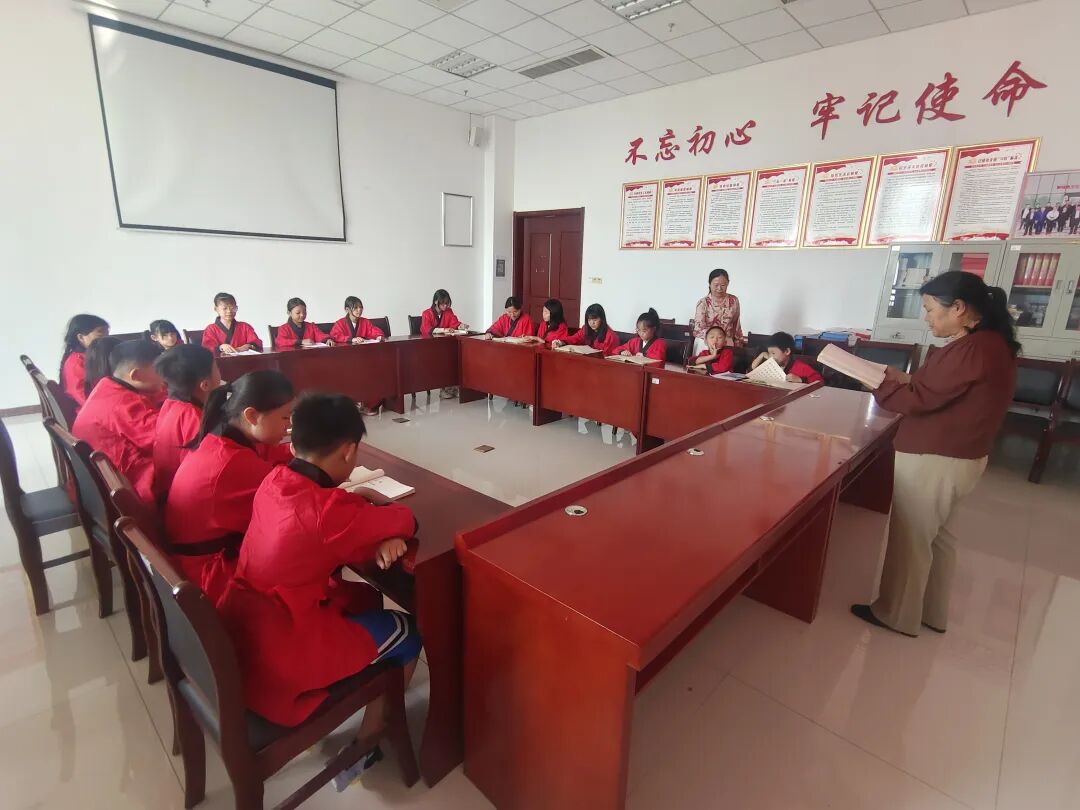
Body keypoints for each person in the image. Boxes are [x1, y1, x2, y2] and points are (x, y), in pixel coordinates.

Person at [216, 393, 420, 788]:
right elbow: (406, 519)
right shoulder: (328, 513)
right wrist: (382, 522)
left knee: (361, 600)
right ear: (349, 451)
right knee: (409, 630)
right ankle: (368, 742)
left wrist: (356, 507)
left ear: (293, 445)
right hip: (285, 655)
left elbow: (323, 526)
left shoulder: (274, 480)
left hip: (245, 632)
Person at [852, 271, 1019, 638]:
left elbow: (921, 400)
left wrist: (877, 384)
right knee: (939, 538)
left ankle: (896, 615)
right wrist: (901, 377)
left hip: (936, 458)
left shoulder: (973, 349)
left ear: (957, 308)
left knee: (911, 538)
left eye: (930, 309)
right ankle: (931, 612)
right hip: (961, 457)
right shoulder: (987, 343)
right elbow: (941, 388)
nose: (926, 318)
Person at [164, 370, 295, 604]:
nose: (289, 426)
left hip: (190, 563)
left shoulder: (219, 438)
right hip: (211, 578)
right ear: (252, 415)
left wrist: (296, 452)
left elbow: (267, 458)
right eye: (285, 417)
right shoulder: (233, 463)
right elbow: (293, 501)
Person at [72, 340, 163, 506]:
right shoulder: (123, 405)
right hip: (132, 491)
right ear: (136, 375)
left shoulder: (108, 386)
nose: (165, 376)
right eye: (160, 370)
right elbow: (168, 439)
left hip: (105, 485)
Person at [153, 345, 221, 497]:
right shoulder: (194, 418)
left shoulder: (171, 403)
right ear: (205, 384)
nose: (219, 371)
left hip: (169, 486)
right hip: (182, 494)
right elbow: (208, 469)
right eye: (216, 367)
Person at [59, 314, 110, 409]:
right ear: (81, 337)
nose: (107, 339)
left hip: (99, 405)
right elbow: (85, 399)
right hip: (90, 412)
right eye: (100, 334)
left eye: (107, 334)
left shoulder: (90, 357)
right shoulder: (76, 363)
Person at [692, 269, 744, 351]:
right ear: (709, 284)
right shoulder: (703, 303)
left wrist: (738, 345)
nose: (719, 288)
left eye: (723, 285)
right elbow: (698, 329)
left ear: (728, 283)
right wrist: (715, 339)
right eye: (716, 285)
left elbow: (736, 325)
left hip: (727, 341)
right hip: (706, 342)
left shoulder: (733, 301)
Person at [751, 332, 823, 383]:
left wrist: (800, 379)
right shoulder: (770, 365)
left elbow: (820, 381)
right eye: (769, 353)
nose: (770, 357)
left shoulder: (800, 367)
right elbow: (750, 373)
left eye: (773, 353)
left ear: (787, 351)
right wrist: (761, 355)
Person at [552, 303, 619, 355]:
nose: (592, 323)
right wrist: (561, 342)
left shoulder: (611, 336)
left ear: (602, 319)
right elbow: (574, 338)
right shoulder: (586, 328)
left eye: (595, 320)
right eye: (589, 320)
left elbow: (609, 358)